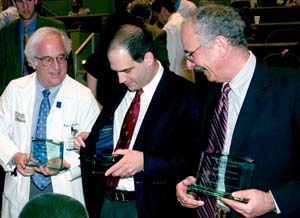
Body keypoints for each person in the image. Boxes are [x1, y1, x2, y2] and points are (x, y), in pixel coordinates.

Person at [176, 4, 300, 218]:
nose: (189, 65)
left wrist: (273, 200)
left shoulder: (292, 88)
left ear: (220, 45)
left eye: (190, 54)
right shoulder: (209, 93)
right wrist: (194, 180)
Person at [75, 24, 202, 218]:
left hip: (151, 207)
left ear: (148, 59)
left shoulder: (185, 96)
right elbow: (118, 133)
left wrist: (145, 162)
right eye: (115, 71)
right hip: (107, 204)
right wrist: (94, 140)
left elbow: (194, 161)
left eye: (127, 70)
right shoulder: (122, 87)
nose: (119, 79)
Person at [0, 27, 100, 218]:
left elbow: (95, 147)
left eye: (61, 57)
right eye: (48, 59)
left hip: (64, 186)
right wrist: (15, 156)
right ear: (32, 62)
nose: (57, 65)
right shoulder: (15, 90)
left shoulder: (83, 96)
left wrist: (68, 163)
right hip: (23, 184)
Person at [0, 0, 73, 95]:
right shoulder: (5, 33)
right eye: (20, 2)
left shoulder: (55, 27)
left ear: (35, 1)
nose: (25, 7)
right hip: (16, 95)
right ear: (14, 3)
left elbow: (67, 67)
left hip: (49, 93)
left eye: (29, 1)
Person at [151, 0, 195, 81]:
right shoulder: (184, 21)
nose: (158, 20)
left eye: (157, 16)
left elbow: (170, 59)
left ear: (163, 10)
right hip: (188, 75)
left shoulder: (170, 27)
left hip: (176, 77)